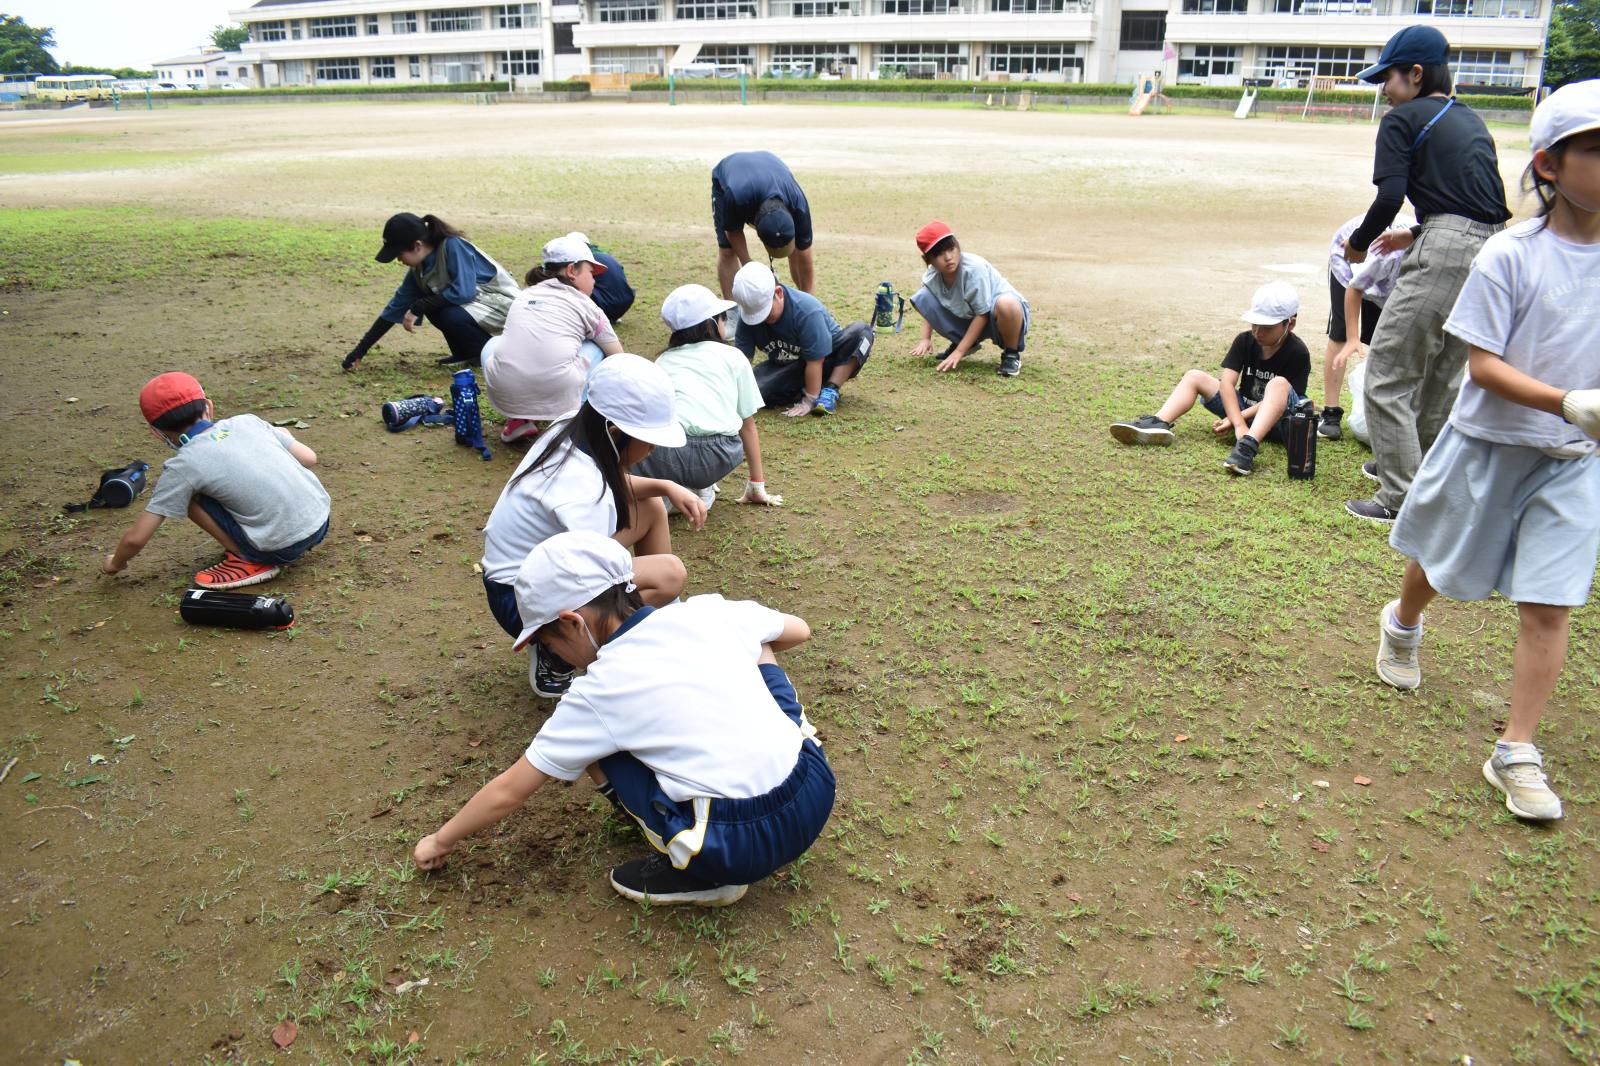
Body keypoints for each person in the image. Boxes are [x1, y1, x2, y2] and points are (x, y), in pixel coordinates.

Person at [1373, 79, 1600, 822]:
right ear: (1549, 164)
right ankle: (1403, 624)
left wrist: (1576, 420)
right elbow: (1483, 366)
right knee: (1440, 561)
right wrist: (1565, 400)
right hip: (1489, 442)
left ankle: (1516, 750)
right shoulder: (1510, 254)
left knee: (1550, 605)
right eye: (1596, 151)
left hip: (1573, 458)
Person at [414, 530, 836, 908]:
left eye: (547, 644)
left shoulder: (596, 693)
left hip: (736, 845)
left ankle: (705, 876)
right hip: (814, 787)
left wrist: (439, 839)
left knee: (595, 752)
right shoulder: (707, 611)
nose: (554, 657)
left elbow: (509, 790)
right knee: (758, 643)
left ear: (572, 622)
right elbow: (798, 630)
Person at [1341, 26, 1511, 524]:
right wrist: (1413, 233)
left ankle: (1399, 497)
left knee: (1388, 373)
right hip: (1492, 251)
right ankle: (1416, 471)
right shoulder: (1470, 120)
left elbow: (1389, 196)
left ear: (1416, 74)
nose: (1384, 92)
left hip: (1445, 249)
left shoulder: (1402, 118)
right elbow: (1476, 204)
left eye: (1388, 79)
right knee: (1441, 371)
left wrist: (1357, 244)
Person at [480, 353, 704, 697]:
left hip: (519, 575)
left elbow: (612, 484)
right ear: (614, 432)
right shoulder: (584, 495)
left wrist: (664, 485)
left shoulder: (574, 425)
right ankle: (564, 652)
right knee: (669, 573)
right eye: (649, 440)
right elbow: (599, 584)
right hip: (521, 599)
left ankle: (657, 624)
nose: (652, 449)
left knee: (651, 507)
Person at [102, 372, 330, 589]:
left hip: (279, 549)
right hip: (321, 522)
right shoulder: (248, 421)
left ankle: (247, 558)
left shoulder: (183, 466)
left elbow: (135, 539)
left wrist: (116, 563)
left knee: (189, 495)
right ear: (208, 406)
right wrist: (279, 434)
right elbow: (309, 458)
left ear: (156, 432)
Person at [1109, 281, 1310, 477]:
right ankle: (1158, 423)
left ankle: (1247, 446)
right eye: (1255, 324)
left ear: (1290, 323)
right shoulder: (1244, 340)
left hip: (1279, 420)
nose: (1257, 331)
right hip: (1243, 413)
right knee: (1194, 376)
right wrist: (1238, 422)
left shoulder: (1298, 352)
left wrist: (1235, 421)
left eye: (1266, 327)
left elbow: (1283, 400)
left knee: (1278, 384)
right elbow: (1226, 385)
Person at [632, 284, 783, 510]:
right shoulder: (734, 357)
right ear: (711, 324)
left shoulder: (664, 360)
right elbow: (748, 425)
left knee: (636, 442)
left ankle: (668, 493)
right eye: (722, 318)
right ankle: (699, 488)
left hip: (669, 456)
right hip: (721, 455)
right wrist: (757, 484)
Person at [482, 234, 624, 444]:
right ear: (571, 271)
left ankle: (518, 420)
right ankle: (575, 422)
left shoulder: (524, 296)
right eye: (591, 272)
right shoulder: (586, 306)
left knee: (494, 344)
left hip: (506, 392)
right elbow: (618, 357)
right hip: (558, 389)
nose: (594, 279)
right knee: (597, 348)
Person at [343, 212, 520, 371]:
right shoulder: (418, 271)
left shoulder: (453, 245)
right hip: (479, 307)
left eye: (399, 254)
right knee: (435, 306)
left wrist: (421, 306)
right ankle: (466, 354)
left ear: (417, 245)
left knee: (442, 309)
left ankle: (488, 354)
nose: (398, 259)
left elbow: (464, 292)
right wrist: (359, 352)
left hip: (505, 306)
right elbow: (393, 310)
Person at [729, 262, 871, 417]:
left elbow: (815, 361)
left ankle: (830, 389)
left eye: (765, 313)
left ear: (779, 293)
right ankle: (800, 389)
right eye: (754, 316)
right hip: (788, 367)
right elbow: (741, 362)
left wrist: (810, 400)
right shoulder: (747, 318)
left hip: (828, 360)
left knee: (861, 333)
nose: (760, 320)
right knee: (754, 392)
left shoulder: (807, 310)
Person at [1320, 212, 1411, 440]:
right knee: (1340, 333)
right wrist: (1352, 338)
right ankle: (1331, 413)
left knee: (1386, 335)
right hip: (1351, 257)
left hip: (1388, 281)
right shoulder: (1384, 257)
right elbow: (1355, 288)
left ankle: (1386, 414)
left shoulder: (1430, 267)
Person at [907, 221, 1030, 378]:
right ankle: (965, 341)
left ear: (958, 247)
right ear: (928, 260)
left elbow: (983, 314)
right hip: (971, 317)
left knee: (1007, 303)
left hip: (1002, 318)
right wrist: (925, 338)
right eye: (938, 254)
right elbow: (930, 307)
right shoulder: (932, 276)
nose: (948, 257)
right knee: (923, 297)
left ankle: (1011, 355)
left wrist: (959, 352)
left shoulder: (973, 269)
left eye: (951, 249)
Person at [712, 151, 815, 298]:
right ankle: (732, 312)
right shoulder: (736, 197)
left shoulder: (798, 205)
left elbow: (805, 260)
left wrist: (809, 303)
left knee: (796, 252)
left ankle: (802, 300)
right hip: (730, 176)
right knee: (727, 251)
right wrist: (749, 265)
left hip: (769, 170)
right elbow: (732, 232)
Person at [565, 231, 635, 325]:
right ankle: (610, 316)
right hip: (625, 302)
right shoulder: (605, 255)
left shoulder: (583, 260)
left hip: (605, 306)